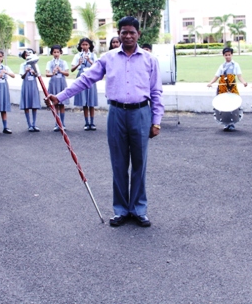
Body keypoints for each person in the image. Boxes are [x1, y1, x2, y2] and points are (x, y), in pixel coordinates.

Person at [47, 17, 164, 228]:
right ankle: (120, 210)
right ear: (119, 34)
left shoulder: (149, 60)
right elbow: (85, 79)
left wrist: (156, 121)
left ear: (138, 34)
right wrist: (60, 96)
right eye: (123, 32)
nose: (127, 36)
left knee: (139, 164)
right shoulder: (108, 58)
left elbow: (156, 92)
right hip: (116, 113)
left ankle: (138, 209)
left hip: (140, 113)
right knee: (119, 164)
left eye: (131, 32)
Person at [206, 47, 248, 131]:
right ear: (223, 56)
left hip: (232, 86)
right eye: (226, 55)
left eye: (229, 55)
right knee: (224, 104)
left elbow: (239, 76)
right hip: (223, 87)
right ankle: (225, 123)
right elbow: (217, 76)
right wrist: (211, 83)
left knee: (233, 103)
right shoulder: (222, 66)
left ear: (232, 55)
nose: (228, 56)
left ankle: (232, 123)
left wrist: (244, 82)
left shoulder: (235, 65)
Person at [71, 38, 99, 131]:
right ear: (80, 46)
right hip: (81, 77)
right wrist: (78, 63)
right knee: (84, 102)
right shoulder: (77, 55)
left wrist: (90, 61)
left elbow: (97, 67)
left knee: (91, 101)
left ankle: (92, 122)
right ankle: (86, 122)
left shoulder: (93, 55)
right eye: (83, 45)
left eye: (86, 45)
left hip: (90, 78)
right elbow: (72, 69)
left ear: (89, 45)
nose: (84, 46)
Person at [46, 45, 69, 131]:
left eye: (58, 52)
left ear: (60, 53)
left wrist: (60, 70)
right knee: (55, 104)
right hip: (53, 83)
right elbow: (47, 74)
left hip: (62, 83)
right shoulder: (49, 63)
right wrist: (53, 73)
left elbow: (67, 73)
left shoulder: (63, 62)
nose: (56, 54)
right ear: (52, 53)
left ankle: (62, 123)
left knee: (62, 104)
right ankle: (57, 123)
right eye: (54, 52)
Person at [19, 49, 41, 132]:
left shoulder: (35, 64)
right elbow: (22, 76)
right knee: (27, 105)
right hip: (26, 85)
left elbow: (38, 75)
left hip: (33, 85)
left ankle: (34, 124)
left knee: (34, 105)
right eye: (26, 55)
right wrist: (26, 71)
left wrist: (34, 72)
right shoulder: (23, 65)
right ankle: (29, 125)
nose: (28, 56)